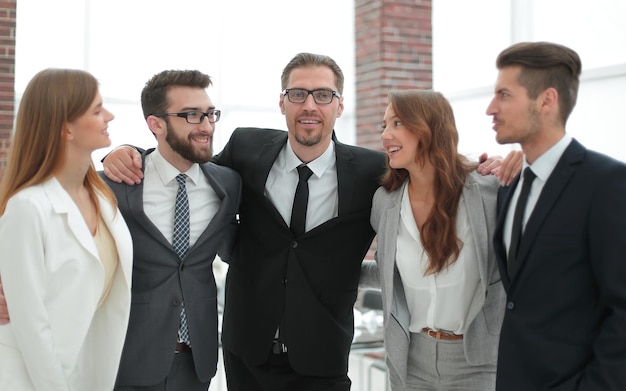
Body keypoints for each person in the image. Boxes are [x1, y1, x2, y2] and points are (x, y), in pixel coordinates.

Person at [47, 53, 512, 390]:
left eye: (323, 94)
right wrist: (122, 152)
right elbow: (188, 165)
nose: (310, 104)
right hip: (244, 352)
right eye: (298, 94)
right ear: (283, 102)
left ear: (339, 105)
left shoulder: (374, 172)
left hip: (324, 357)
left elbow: (433, 172)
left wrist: (493, 165)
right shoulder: (246, 150)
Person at [486, 41, 626, 390]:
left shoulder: (607, 183)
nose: (491, 108)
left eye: (504, 95)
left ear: (546, 100)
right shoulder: (510, 186)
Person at [360, 89, 508, 391]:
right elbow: (394, 275)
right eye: (384, 125)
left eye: (397, 123)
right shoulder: (385, 202)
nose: (386, 135)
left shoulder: (487, 191)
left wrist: (521, 166)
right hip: (411, 360)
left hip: (479, 361)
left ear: (430, 127)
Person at [106, 70, 241, 390]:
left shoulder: (228, 184)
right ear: (156, 124)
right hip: (129, 356)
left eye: (210, 115)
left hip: (197, 360)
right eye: (192, 116)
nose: (206, 126)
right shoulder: (113, 185)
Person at [0, 68, 133, 390]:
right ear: (66, 129)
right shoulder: (28, 208)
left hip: (86, 369)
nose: (110, 116)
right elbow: (31, 325)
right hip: (30, 377)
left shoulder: (104, 201)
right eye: (97, 110)